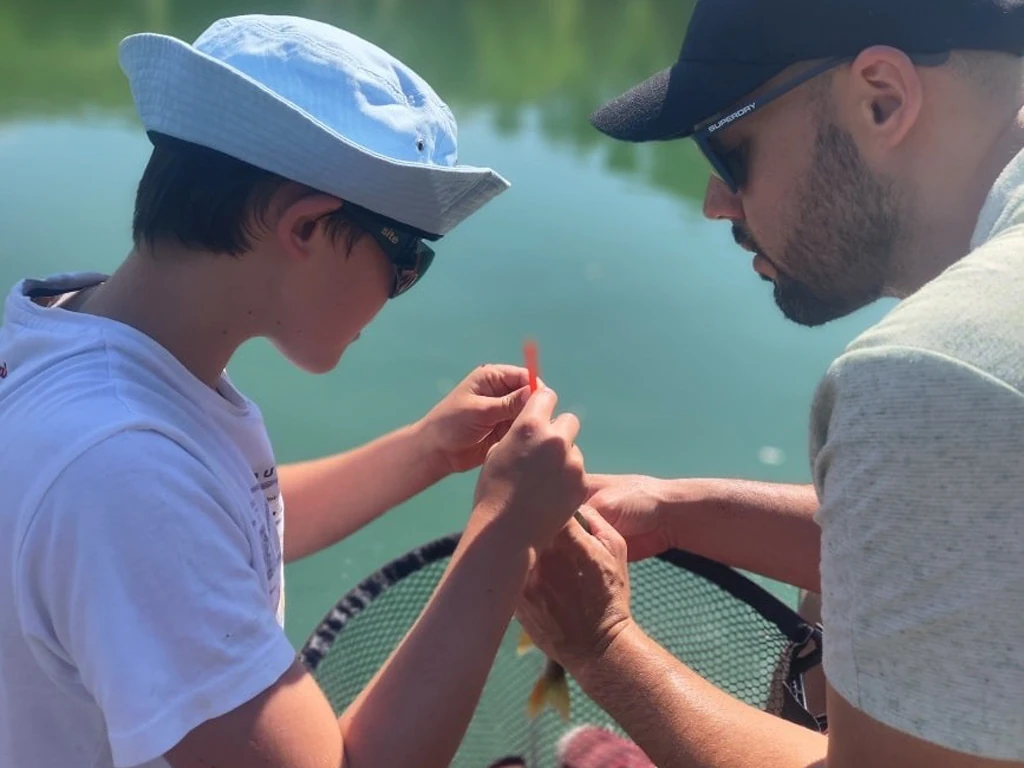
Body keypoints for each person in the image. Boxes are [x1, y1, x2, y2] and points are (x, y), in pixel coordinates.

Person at [0, 15, 588, 768]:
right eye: (406, 258)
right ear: (306, 227)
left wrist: (428, 451)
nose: (402, 284)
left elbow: (221, 528)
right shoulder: (120, 472)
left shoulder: (73, 333)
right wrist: (506, 531)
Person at [515, 0, 1024, 766]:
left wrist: (601, 644)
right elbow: (966, 543)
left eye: (729, 150)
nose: (714, 202)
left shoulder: (935, 371)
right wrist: (675, 511)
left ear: (882, 99)